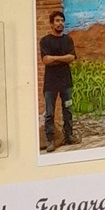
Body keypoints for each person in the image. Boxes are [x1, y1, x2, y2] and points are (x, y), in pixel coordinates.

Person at [38, 8, 76, 149]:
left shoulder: (68, 40)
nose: (60, 23)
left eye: (62, 21)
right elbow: (46, 60)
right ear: (51, 24)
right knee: (49, 113)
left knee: (68, 109)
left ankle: (69, 136)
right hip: (50, 83)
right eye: (57, 21)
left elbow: (71, 57)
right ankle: (50, 141)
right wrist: (62, 58)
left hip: (66, 82)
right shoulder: (45, 41)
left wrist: (55, 58)